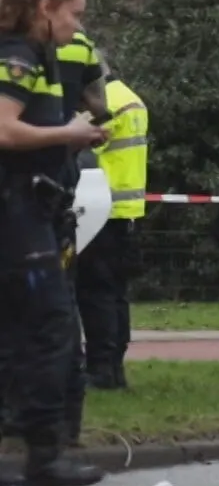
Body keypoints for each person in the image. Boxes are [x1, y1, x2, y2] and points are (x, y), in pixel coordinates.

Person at [0, 0, 107, 486]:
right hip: (17, 212)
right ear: (46, 6)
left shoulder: (29, 53)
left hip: (29, 208)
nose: (75, 27)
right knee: (48, 327)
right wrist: (67, 131)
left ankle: (36, 446)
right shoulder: (18, 54)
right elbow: (4, 128)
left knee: (27, 331)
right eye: (73, 14)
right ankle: (44, 454)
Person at [76, 70, 146, 390]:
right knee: (116, 294)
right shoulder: (132, 98)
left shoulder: (105, 104)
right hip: (126, 210)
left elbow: (81, 147)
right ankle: (115, 367)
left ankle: (100, 370)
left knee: (95, 293)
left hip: (97, 208)